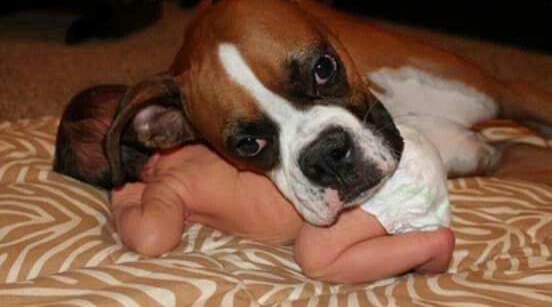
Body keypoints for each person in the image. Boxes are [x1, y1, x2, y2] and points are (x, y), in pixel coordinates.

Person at [55, 84, 455, 285]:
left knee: (315, 257)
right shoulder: (211, 127)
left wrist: (124, 202)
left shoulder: (167, 183)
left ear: (125, 173)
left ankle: (429, 247)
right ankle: (420, 232)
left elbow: (152, 238)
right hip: (380, 146)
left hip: (363, 186)